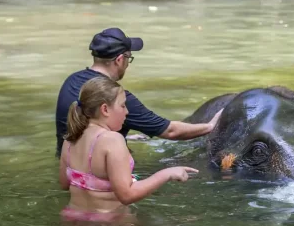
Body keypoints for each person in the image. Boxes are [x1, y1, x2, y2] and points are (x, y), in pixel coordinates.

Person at [55, 27, 223, 158]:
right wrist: (210, 126)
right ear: (120, 60)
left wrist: (121, 137)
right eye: (129, 58)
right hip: (102, 173)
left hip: (72, 167)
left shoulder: (71, 81)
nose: (128, 64)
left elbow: (82, 131)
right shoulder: (116, 98)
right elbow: (170, 131)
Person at [59, 76, 198, 222]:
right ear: (105, 109)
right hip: (109, 224)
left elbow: (64, 184)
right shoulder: (112, 140)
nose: (126, 112)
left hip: (72, 219)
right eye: (123, 105)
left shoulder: (70, 139)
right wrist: (166, 174)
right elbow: (127, 196)